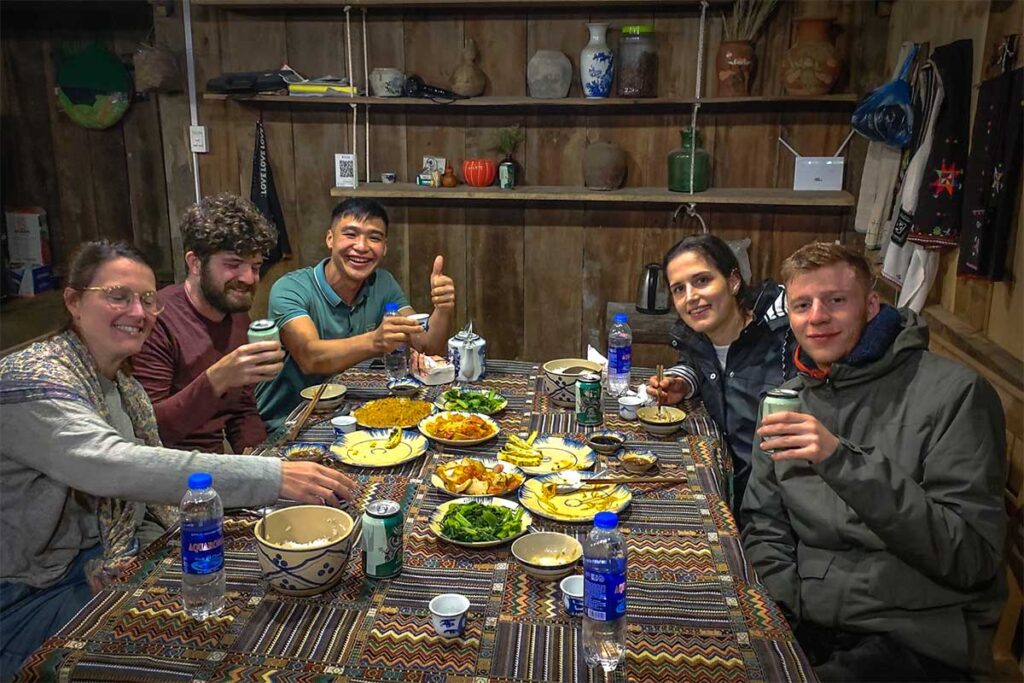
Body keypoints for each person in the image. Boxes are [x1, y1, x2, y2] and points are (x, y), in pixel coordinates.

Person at [0, 241, 357, 676]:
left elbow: (147, 488)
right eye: (118, 296)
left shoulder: (119, 383)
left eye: (148, 299)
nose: (138, 312)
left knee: (275, 606)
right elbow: (114, 466)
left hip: (108, 556)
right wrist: (272, 475)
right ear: (73, 301)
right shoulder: (30, 380)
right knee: (218, 651)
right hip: (30, 596)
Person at [741, 242, 1006, 681]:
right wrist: (784, 613)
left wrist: (842, 460)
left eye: (836, 301)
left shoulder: (956, 395)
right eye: (802, 304)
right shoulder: (786, 400)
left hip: (915, 634)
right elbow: (764, 523)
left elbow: (969, 557)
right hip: (811, 622)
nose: (817, 316)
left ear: (870, 306)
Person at [256, 198, 455, 428]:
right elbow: (310, 357)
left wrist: (443, 309)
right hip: (286, 423)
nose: (361, 246)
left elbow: (427, 346)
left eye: (374, 237)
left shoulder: (383, 283)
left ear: (385, 247)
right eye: (350, 234)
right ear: (330, 238)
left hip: (346, 416)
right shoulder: (291, 289)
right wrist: (375, 341)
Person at [646, 234, 794, 515]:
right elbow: (702, 363)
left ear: (733, 281)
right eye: (679, 289)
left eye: (702, 280)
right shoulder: (700, 338)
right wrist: (683, 381)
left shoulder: (782, 338)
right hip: (736, 491)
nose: (691, 297)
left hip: (779, 503)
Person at [134, 194, 285, 453]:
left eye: (256, 266)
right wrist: (217, 378)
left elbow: (242, 409)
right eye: (234, 264)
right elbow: (151, 430)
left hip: (217, 467)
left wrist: (265, 461)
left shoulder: (236, 313)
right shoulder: (155, 319)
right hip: (167, 473)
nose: (248, 279)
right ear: (195, 263)